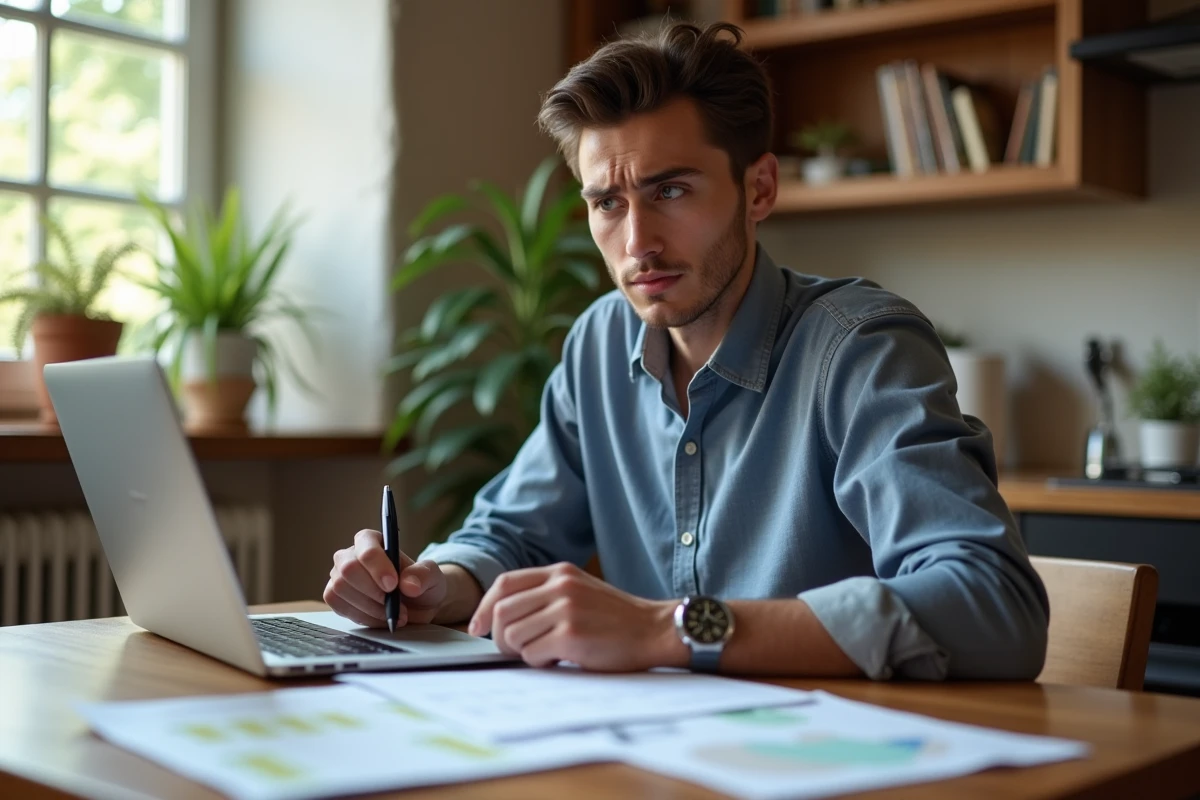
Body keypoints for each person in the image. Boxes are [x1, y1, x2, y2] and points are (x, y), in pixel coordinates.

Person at [324, 21, 1049, 679]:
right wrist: (429, 588)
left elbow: (993, 606)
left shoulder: (860, 351)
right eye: (607, 202)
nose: (636, 242)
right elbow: (514, 533)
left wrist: (668, 628)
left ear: (758, 188)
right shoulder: (600, 344)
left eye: (669, 190)